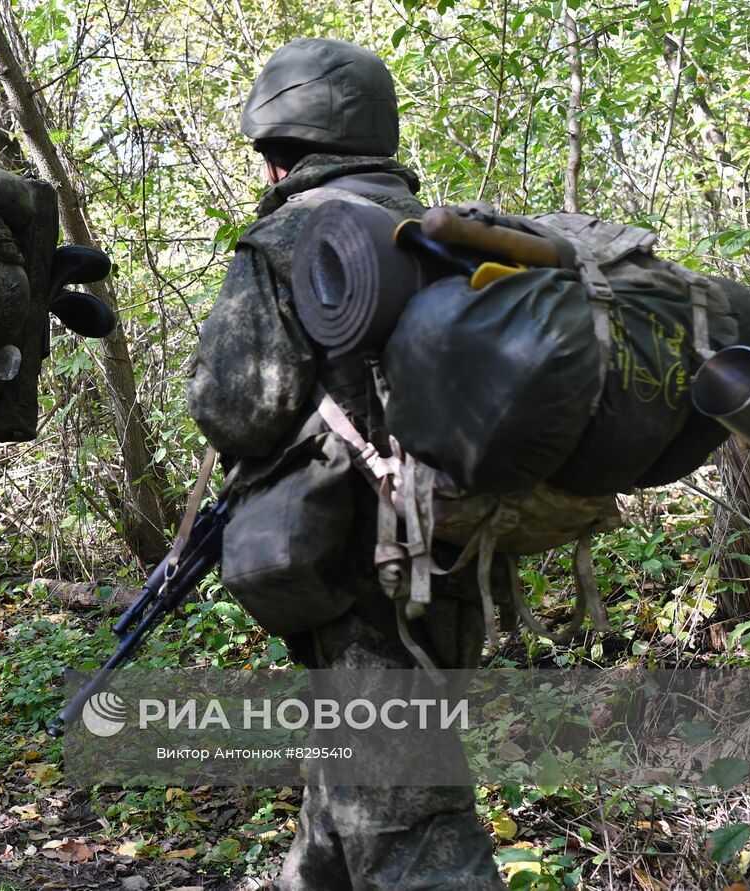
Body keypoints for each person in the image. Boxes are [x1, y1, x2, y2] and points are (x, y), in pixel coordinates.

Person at [185, 38, 507, 889]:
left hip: (356, 563)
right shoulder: (450, 233)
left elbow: (233, 410)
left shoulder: (289, 237)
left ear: (278, 152)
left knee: (410, 825)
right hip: (459, 546)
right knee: (349, 792)